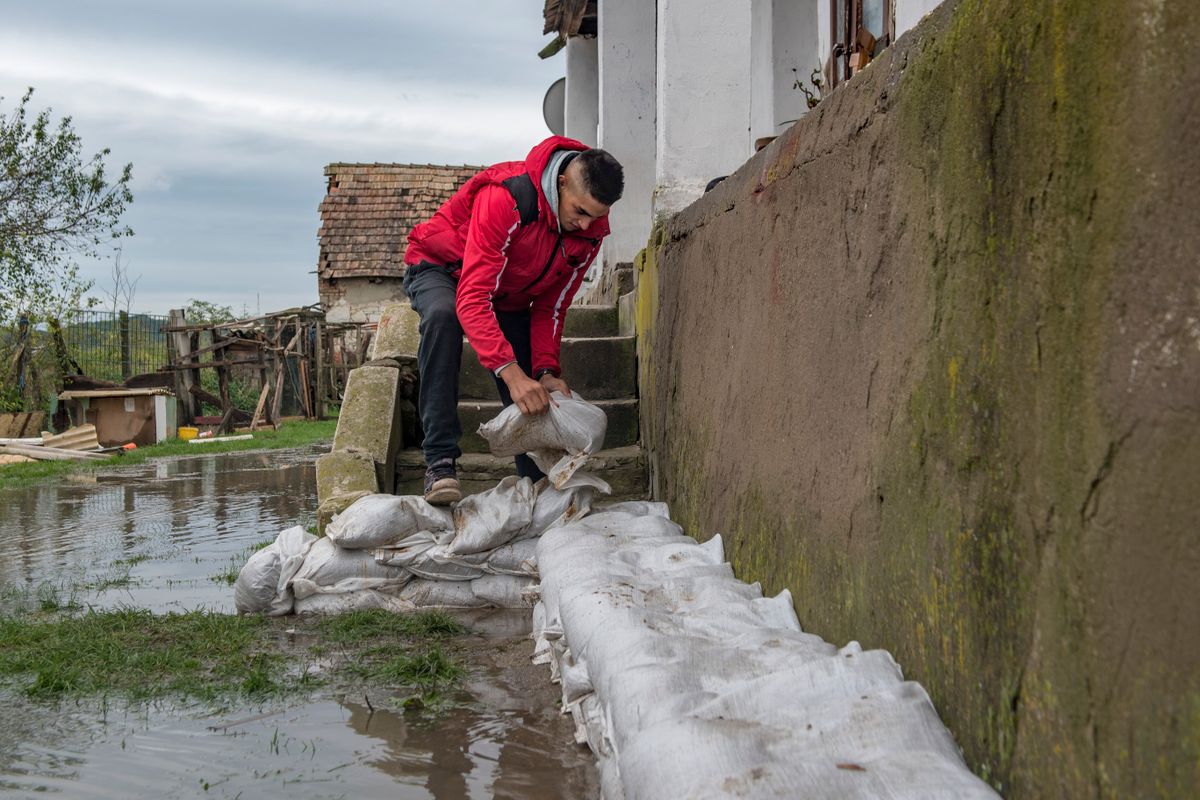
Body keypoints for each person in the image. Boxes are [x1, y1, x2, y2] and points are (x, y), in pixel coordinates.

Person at [402, 136, 624, 505]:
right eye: (580, 211)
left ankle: (535, 481)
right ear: (563, 181)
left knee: (534, 386)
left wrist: (545, 371)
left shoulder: (590, 231)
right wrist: (511, 372)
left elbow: (551, 307)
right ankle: (439, 461)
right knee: (444, 317)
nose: (586, 225)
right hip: (444, 267)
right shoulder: (507, 196)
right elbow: (472, 298)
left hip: (507, 292)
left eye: (596, 217)